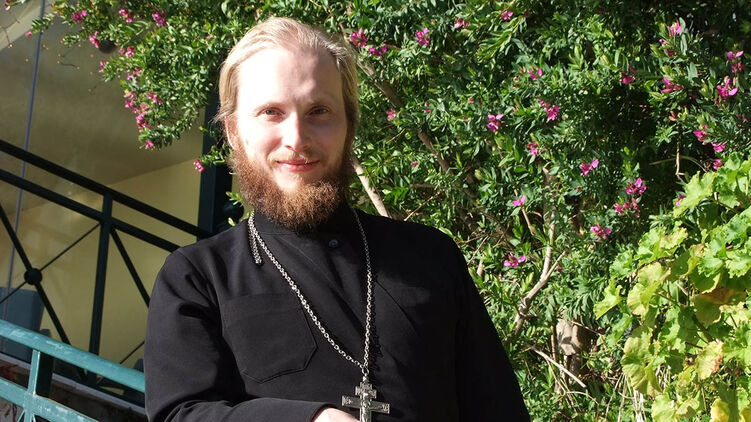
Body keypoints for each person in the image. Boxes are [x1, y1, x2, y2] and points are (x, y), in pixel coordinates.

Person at [144, 17, 529, 422]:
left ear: (349, 125)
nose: (297, 138)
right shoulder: (197, 277)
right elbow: (180, 414)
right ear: (234, 131)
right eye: (271, 112)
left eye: (319, 111)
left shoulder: (431, 257)